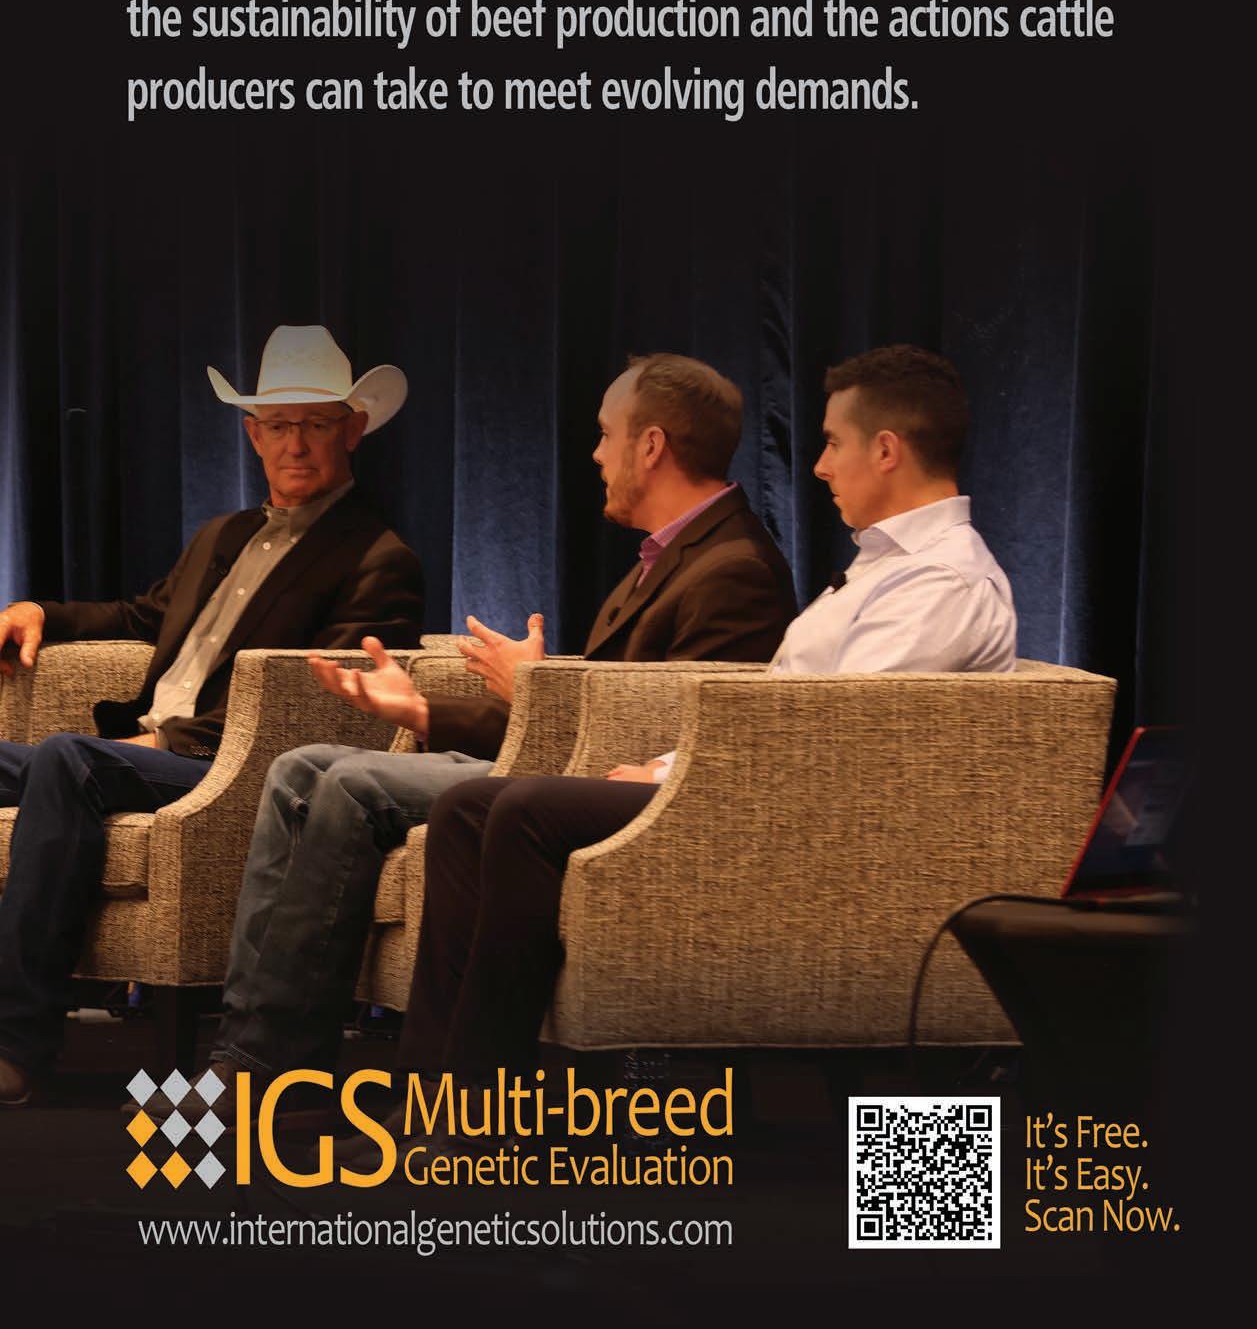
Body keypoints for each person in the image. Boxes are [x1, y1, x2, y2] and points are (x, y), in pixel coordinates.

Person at [366, 344, 1016, 1147]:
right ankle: (433, 1106)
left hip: (813, 833)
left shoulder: (940, 583)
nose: (818, 466)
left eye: (831, 443)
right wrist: (672, 766)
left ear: (885, 449)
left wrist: (675, 776)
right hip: (763, 794)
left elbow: (831, 741)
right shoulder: (885, 569)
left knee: (524, 810)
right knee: (470, 807)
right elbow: (789, 717)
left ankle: (481, 1119)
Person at [149, 353, 795, 1115]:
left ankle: (283, 1068)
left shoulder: (732, 567)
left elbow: (673, 736)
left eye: (604, 434)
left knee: (353, 785)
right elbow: (602, 709)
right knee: (301, 767)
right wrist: (423, 710)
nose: (594, 454)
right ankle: (253, 1052)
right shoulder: (665, 559)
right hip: (564, 769)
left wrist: (537, 686)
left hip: (599, 795)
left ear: (650, 446)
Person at [0, 325, 425, 1107]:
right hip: (140, 753)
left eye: (317, 422)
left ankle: (15, 1044)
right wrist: (42, 613)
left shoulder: (376, 557)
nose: (296, 443)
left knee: (66, 756)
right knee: (51, 758)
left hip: (226, 768)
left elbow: (315, 703)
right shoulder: (224, 534)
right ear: (253, 434)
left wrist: (162, 738)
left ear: (354, 429)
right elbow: (142, 615)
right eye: (279, 424)